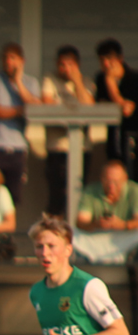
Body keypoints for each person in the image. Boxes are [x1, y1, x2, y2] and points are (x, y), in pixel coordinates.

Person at [0, 43, 42, 209]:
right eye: (5, 57)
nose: (8, 61)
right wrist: (22, 110)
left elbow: (36, 110)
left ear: (22, 61)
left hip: (18, 148)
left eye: (12, 58)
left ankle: (8, 233)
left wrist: (18, 82)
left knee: (12, 197)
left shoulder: (30, 83)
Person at [42, 45, 96, 216]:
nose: (65, 69)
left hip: (81, 148)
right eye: (61, 64)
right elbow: (48, 106)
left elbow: (90, 109)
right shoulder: (50, 80)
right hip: (57, 148)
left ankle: (75, 235)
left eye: (70, 65)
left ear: (78, 65)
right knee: (57, 195)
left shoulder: (87, 83)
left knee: (79, 193)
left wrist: (77, 81)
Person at [73, 159, 138, 264]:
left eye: (116, 182)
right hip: (98, 235)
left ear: (125, 179)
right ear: (102, 179)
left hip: (125, 235)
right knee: (70, 234)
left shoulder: (134, 191)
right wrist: (96, 224)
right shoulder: (91, 191)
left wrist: (122, 225)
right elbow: (81, 222)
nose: (111, 186)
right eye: (108, 181)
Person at [96, 39, 138, 181]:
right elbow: (100, 104)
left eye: (110, 59)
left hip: (132, 138)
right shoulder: (100, 79)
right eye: (102, 60)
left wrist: (111, 85)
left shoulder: (134, 79)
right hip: (113, 139)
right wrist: (108, 82)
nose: (106, 64)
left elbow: (127, 109)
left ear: (120, 59)